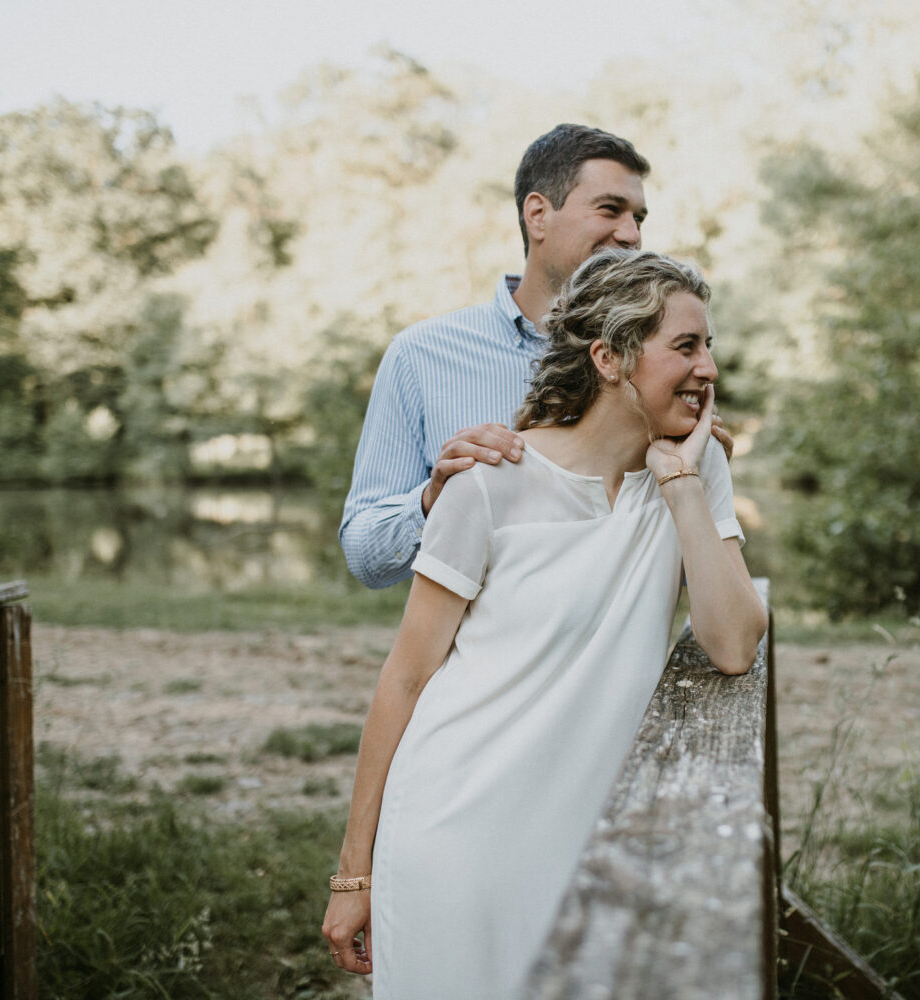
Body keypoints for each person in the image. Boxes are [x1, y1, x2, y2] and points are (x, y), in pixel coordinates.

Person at [320, 249, 769, 999]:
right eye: (686, 347)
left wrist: (685, 486)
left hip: (586, 841)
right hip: (455, 837)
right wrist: (353, 871)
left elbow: (732, 645)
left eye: (708, 346)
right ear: (610, 357)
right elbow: (406, 677)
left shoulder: (692, 472)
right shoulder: (491, 484)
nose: (708, 369)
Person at [338, 123, 730, 588]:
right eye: (610, 210)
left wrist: (701, 487)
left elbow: (676, 579)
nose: (630, 235)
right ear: (538, 215)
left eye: (639, 219)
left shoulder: (657, 368)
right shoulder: (420, 355)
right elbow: (365, 556)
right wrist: (434, 499)